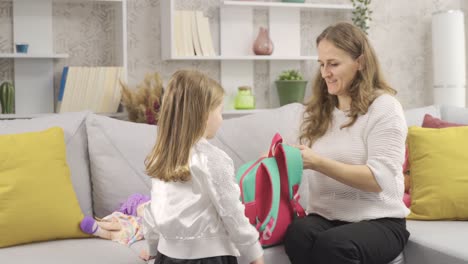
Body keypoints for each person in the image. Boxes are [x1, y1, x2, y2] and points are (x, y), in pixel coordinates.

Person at [284, 22, 410, 264]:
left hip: (381, 221)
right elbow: (299, 161)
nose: (324, 73)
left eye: (333, 64)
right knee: (298, 234)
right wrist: (279, 158)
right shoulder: (318, 111)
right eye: (321, 64)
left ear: (360, 62)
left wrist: (319, 162)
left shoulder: (384, 108)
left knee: (335, 245)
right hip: (327, 216)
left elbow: (377, 180)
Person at [140, 70, 264, 264]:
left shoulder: (160, 157)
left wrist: (152, 248)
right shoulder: (213, 159)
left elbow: (154, 209)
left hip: (167, 257)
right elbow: (232, 213)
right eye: (220, 111)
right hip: (209, 258)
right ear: (204, 114)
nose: (222, 119)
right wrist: (254, 254)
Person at [80, 193, 150, 246]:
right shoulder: (138, 201)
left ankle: (97, 230)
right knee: (114, 225)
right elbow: (121, 213)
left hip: (136, 227)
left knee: (114, 235)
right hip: (126, 219)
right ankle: (98, 224)